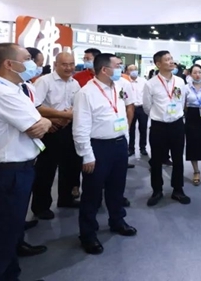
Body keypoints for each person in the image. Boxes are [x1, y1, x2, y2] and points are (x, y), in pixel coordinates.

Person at [0, 43, 52, 281]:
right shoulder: (1, 94)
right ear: (9, 64)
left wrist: (44, 121)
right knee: (0, 238)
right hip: (6, 173)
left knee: (9, 235)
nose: (32, 64)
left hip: (15, 171)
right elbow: (36, 127)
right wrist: (45, 122)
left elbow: (38, 121)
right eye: (27, 58)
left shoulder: (13, 89)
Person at [72, 53, 137, 255]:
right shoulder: (86, 93)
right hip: (98, 147)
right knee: (92, 193)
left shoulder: (118, 87)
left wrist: (125, 139)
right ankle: (88, 233)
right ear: (104, 69)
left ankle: (117, 220)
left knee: (117, 188)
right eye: (117, 65)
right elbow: (80, 127)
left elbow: (121, 114)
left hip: (119, 144)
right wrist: (86, 155)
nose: (121, 69)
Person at [31, 52, 81, 221]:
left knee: (71, 165)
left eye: (71, 64)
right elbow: (35, 106)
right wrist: (56, 117)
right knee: (46, 169)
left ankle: (66, 198)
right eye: (64, 64)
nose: (69, 68)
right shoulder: (44, 81)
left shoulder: (75, 83)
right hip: (49, 129)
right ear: (56, 65)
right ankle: (41, 206)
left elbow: (78, 105)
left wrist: (67, 117)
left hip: (68, 128)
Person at [143, 51, 191, 207]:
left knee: (178, 159)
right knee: (156, 160)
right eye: (167, 59)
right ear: (158, 64)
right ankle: (157, 190)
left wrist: (174, 114)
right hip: (159, 126)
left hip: (177, 124)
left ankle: (178, 189)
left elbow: (181, 101)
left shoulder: (180, 81)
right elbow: (147, 106)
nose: (171, 62)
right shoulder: (150, 84)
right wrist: (160, 115)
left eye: (171, 59)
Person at [126, 64, 148, 156]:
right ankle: (131, 148)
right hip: (130, 108)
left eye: (135, 69)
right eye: (131, 70)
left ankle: (143, 148)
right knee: (131, 129)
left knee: (143, 128)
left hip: (142, 107)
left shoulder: (144, 81)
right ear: (127, 72)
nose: (134, 71)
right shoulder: (126, 82)